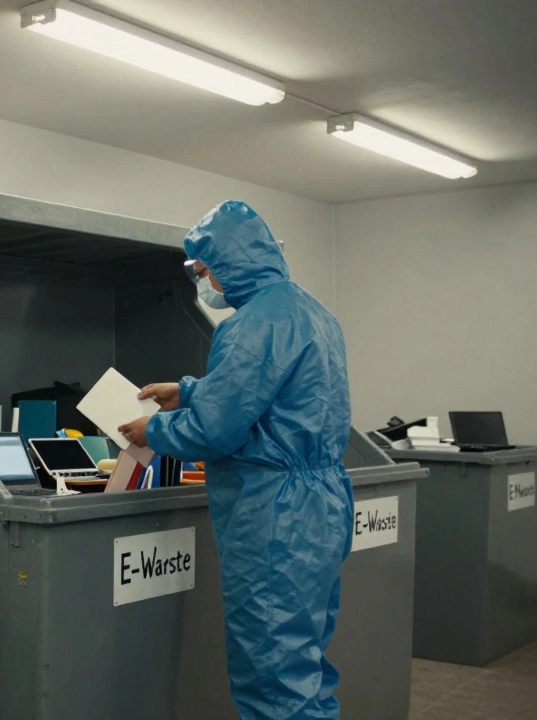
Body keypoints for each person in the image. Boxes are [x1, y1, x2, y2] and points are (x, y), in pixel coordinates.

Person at [118, 200, 354, 720]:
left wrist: (153, 430)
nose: (206, 283)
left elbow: (215, 430)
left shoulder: (249, 327)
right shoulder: (313, 312)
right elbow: (272, 394)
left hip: (275, 517)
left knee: (272, 677)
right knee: (306, 665)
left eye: (205, 271)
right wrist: (186, 390)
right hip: (322, 506)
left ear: (233, 262)